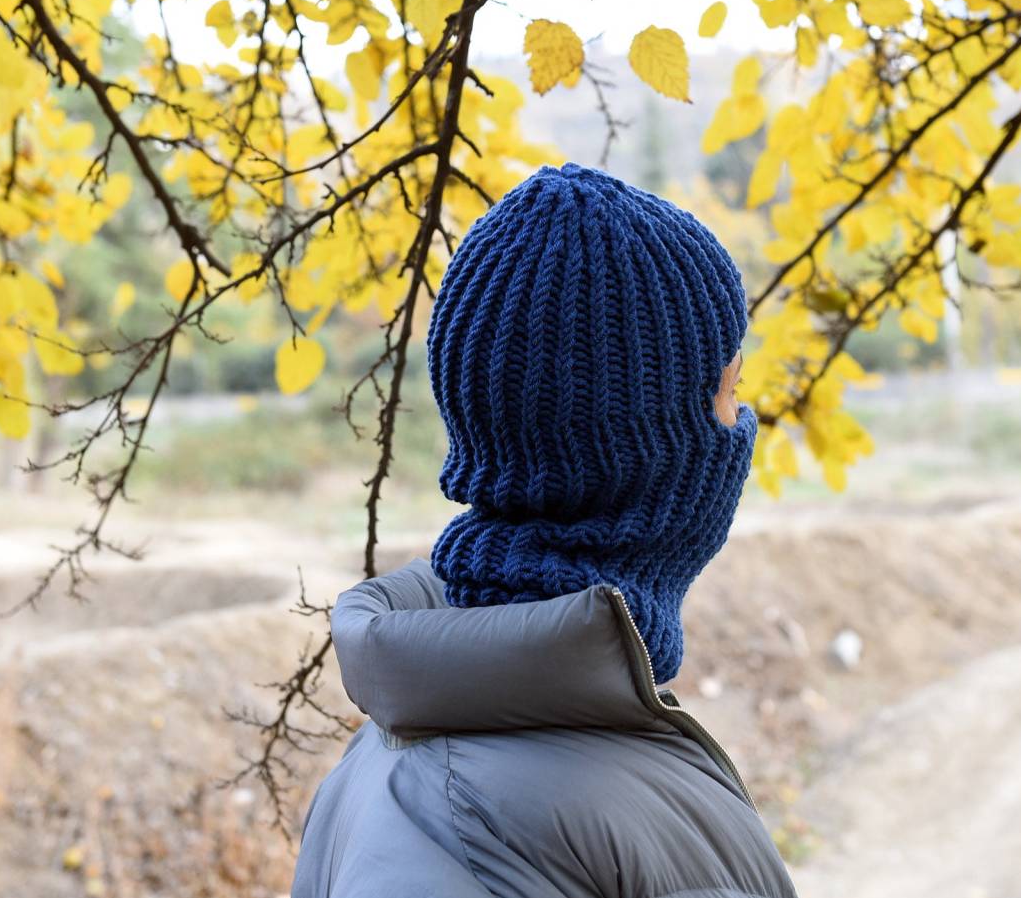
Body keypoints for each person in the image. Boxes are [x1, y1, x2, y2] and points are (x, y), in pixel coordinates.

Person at [291, 163, 798, 898]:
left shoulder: (568, 735)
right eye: (730, 391)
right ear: (635, 455)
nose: (740, 426)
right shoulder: (455, 825)